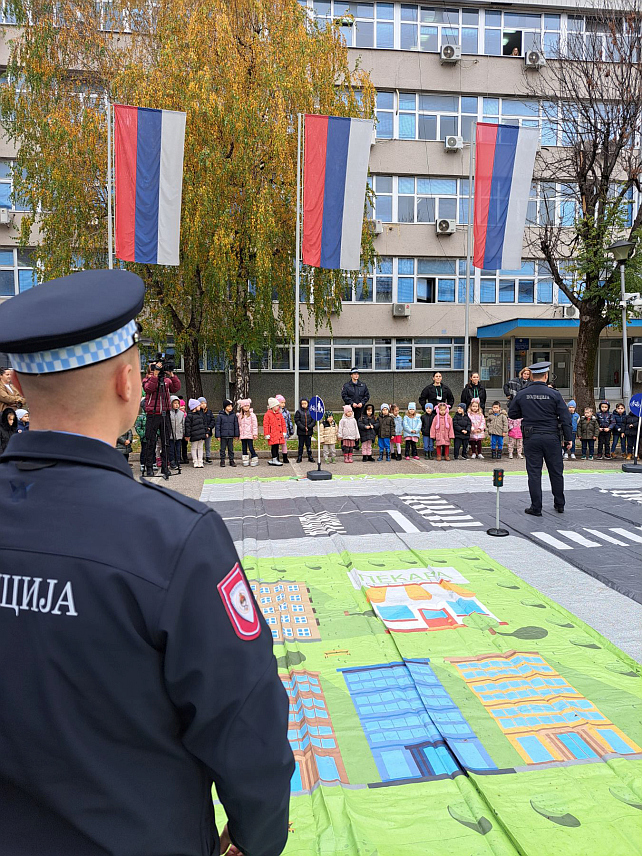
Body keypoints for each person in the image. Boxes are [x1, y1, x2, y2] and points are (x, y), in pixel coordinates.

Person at [0, 269, 293, 856]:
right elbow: (243, 719)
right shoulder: (175, 538)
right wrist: (257, 836)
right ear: (127, 381)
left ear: (21, 386)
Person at [508, 362, 572, 516]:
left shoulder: (523, 393)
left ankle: (536, 508)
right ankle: (559, 504)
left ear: (530, 375)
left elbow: (512, 414)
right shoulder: (555, 394)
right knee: (556, 471)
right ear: (546, 375)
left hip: (531, 437)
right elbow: (565, 418)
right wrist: (568, 438)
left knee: (534, 473)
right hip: (552, 437)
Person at [142, 356, 181, 478]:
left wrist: (172, 375)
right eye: (155, 367)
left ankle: (165, 466)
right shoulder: (147, 380)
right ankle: (149, 466)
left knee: (166, 442)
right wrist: (155, 376)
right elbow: (149, 389)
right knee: (150, 441)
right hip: (152, 414)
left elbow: (176, 388)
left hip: (165, 413)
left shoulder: (166, 381)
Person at [215, 398, 239, 467]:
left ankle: (231, 460)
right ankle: (222, 460)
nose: (230, 408)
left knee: (231, 449)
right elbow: (218, 426)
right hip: (223, 435)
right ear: (225, 407)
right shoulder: (220, 416)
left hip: (231, 435)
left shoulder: (233, 415)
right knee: (222, 449)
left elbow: (236, 425)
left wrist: (236, 434)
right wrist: (218, 435)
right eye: (228, 406)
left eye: (231, 406)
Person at [263, 397, 287, 466]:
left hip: (278, 434)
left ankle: (275, 458)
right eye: (276, 405)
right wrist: (267, 434)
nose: (278, 407)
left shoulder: (279, 414)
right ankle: (274, 458)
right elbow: (266, 425)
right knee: (274, 446)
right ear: (272, 406)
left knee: (276, 446)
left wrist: (284, 431)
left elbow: (283, 423)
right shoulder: (267, 414)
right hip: (272, 434)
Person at [185, 398, 208, 468]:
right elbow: (187, 426)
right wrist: (187, 435)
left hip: (201, 434)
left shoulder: (201, 414)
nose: (200, 406)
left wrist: (206, 432)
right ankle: (195, 461)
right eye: (198, 405)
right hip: (194, 435)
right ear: (194, 407)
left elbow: (204, 424)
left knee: (200, 447)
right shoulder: (189, 416)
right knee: (194, 448)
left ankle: (200, 461)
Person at [237, 398, 259, 467]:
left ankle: (254, 457)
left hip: (250, 434)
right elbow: (239, 425)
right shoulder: (239, 416)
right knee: (244, 447)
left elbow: (255, 425)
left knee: (250, 447)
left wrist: (255, 434)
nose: (246, 407)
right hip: (243, 435)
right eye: (245, 406)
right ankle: (245, 459)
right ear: (242, 407)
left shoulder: (252, 415)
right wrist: (238, 434)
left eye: (247, 406)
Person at [294, 398, 315, 463]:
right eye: (302, 404)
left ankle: (310, 456)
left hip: (309, 432)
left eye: (305, 403)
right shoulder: (298, 412)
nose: (304, 405)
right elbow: (297, 421)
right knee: (300, 445)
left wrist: (309, 427)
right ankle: (299, 456)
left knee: (308, 445)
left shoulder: (311, 411)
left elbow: (313, 421)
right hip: (301, 432)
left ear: (308, 404)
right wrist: (303, 427)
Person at [168, 394, 186, 470]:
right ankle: (172, 462)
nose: (176, 405)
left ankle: (178, 461)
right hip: (171, 435)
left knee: (178, 449)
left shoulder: (181, 414)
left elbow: (183, 424)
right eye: (175, 403)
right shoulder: (168, 413)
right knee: (171, 449)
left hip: (179, 434)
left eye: (177, 403)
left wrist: (183, 433)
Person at [276, 394, 294, 464]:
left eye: (284, 403)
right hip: (277, 431)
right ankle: (276, 457)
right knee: (276, 445)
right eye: (281, 402)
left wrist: (290, 431)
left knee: (284, 444)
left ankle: (285, 457)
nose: (283, 404)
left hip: (284, 431)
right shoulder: (275, 412)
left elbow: (289, 421)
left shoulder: (286, 412)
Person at [198, 397, 216, 464]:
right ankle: (200, 457)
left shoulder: (209, 412)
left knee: (208, 445)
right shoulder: (198, 412)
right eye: (201, 403)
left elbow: (213, 421)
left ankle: (208, 457)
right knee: (200, 445)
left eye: (204, 403)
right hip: (201, 431)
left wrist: (210, 427)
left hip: (209, 430)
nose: (203, 405)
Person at [134, 399, 147, 474]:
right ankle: (142, 463)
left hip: (152, 437)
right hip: (144, 438)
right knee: (144, 451)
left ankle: (152, 462)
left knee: (152, 451)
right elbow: (137, 427)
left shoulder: (152, 416)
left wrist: (156, 434)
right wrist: (143, 434)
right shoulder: (141, 417)